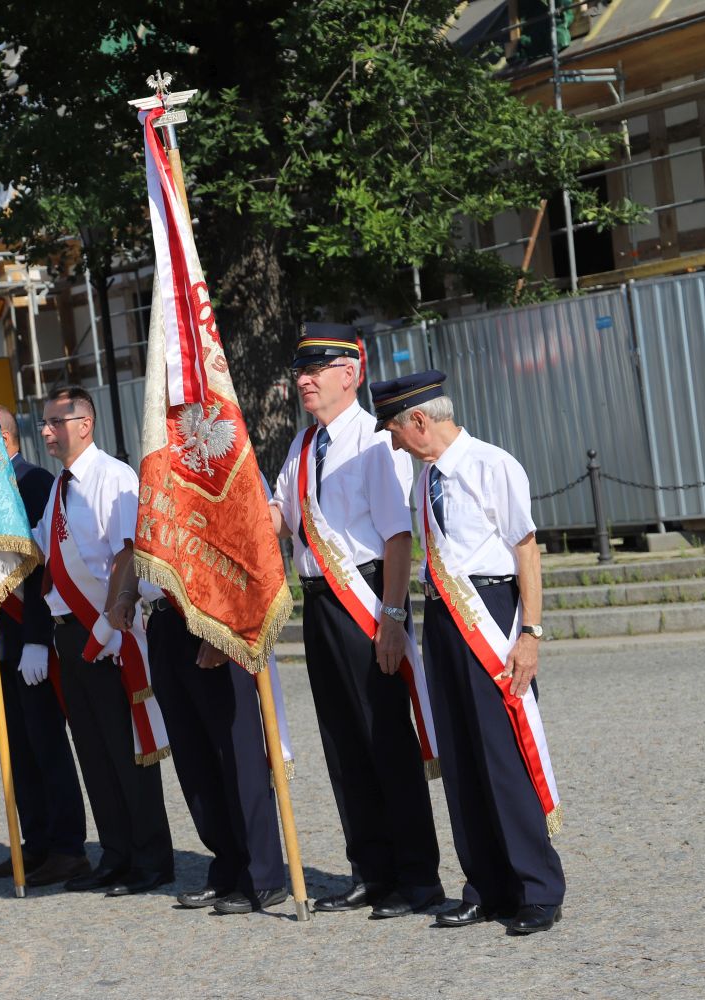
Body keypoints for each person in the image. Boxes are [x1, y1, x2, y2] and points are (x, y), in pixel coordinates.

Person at [376, 371, 565, 935]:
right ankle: (485, 885)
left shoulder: (491, 464)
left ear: (419, 421)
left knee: (502, 755)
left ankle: (536, 888)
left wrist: (529, 633)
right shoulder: (425, 475)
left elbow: (526, 549)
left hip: (490, 612)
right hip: (443, 619)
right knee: (459, 756)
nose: (392, 441)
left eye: (394, 429)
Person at [268, 325, 444, 919]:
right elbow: (282, 521)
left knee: (385, 740)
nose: (305, 380)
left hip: (367, 597)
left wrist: (393, 617)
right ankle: (370, 869)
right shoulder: (300, 446)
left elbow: (398, 537)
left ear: (352, 372)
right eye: (300, 370)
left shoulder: (376, 440)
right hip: (318, 600)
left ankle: (417, 878)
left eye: (317, 368)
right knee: (343, 742)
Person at [36, 385, 173, 897]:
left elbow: (126, 553)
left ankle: (150, 858)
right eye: (45, 422)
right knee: (92, 753)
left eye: (56, 421)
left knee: (127, 751)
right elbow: (43, 550)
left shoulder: (113, 477)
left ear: (84, 423)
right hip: (68, 635)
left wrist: (110, 622)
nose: (47, 431)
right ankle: (115, 854)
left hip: (107, 632)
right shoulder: (58, 488)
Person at [0, 406, 90, 887]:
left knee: (47, 745)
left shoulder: (34, 483)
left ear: (3, 437)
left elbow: (47, 569)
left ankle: (68, 848)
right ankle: (37, 841)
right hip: (1, 639)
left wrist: (36, 641)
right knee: (18, 751)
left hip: (33, 640)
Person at [147, 599, 287, 914]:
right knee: (194, 760)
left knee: (238, 756)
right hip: (163, 618)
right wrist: (128, 594)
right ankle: (228, 865)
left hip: (212, 618)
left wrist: (223, 633)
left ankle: (263, 874)